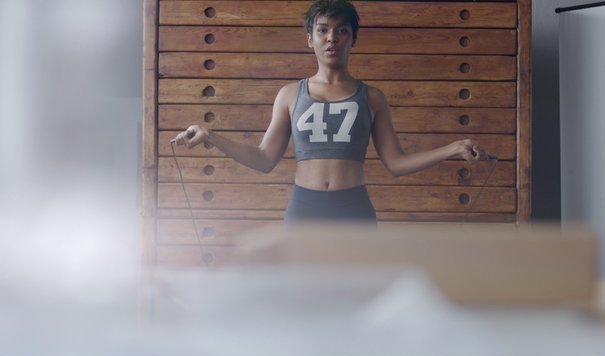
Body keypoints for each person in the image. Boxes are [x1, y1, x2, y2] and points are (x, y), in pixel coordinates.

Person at [171, 0, 490, 224]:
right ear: (310, 39)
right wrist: (211, 136)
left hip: (353, 208)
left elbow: (396, 163)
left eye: (341, 30)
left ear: (353, 38)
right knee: (302, 301)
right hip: (304, 208)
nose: (332, 38)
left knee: (356, 298)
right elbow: (264, 158)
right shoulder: (289, 95)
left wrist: (454, 147)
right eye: (323, 30)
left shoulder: (373, 97)